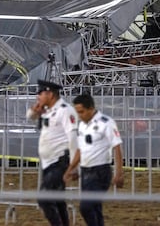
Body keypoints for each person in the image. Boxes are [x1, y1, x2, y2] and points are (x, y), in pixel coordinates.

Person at [63, 93, 124, 226]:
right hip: (86, 171)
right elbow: (80, 149)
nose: (79, 115)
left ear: (91, 108)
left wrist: (119, 172)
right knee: (95, 207)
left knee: (86, 207)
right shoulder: (82, 125)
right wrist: (71, 168)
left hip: (100, 171)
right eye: (77, 112)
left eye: (82, 112)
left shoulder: (106, 123)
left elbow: (117, 147)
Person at [26, 80, 78, 226]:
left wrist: (73, 166)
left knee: (44, 199)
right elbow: (30, 117)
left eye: (40, 94)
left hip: (60, 162)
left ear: (50, 94)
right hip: (48, 163)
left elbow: (73, 137)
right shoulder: (47, 111)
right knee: (58, 200)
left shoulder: (65, 110)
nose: (38, 97)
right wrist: (35, 109)